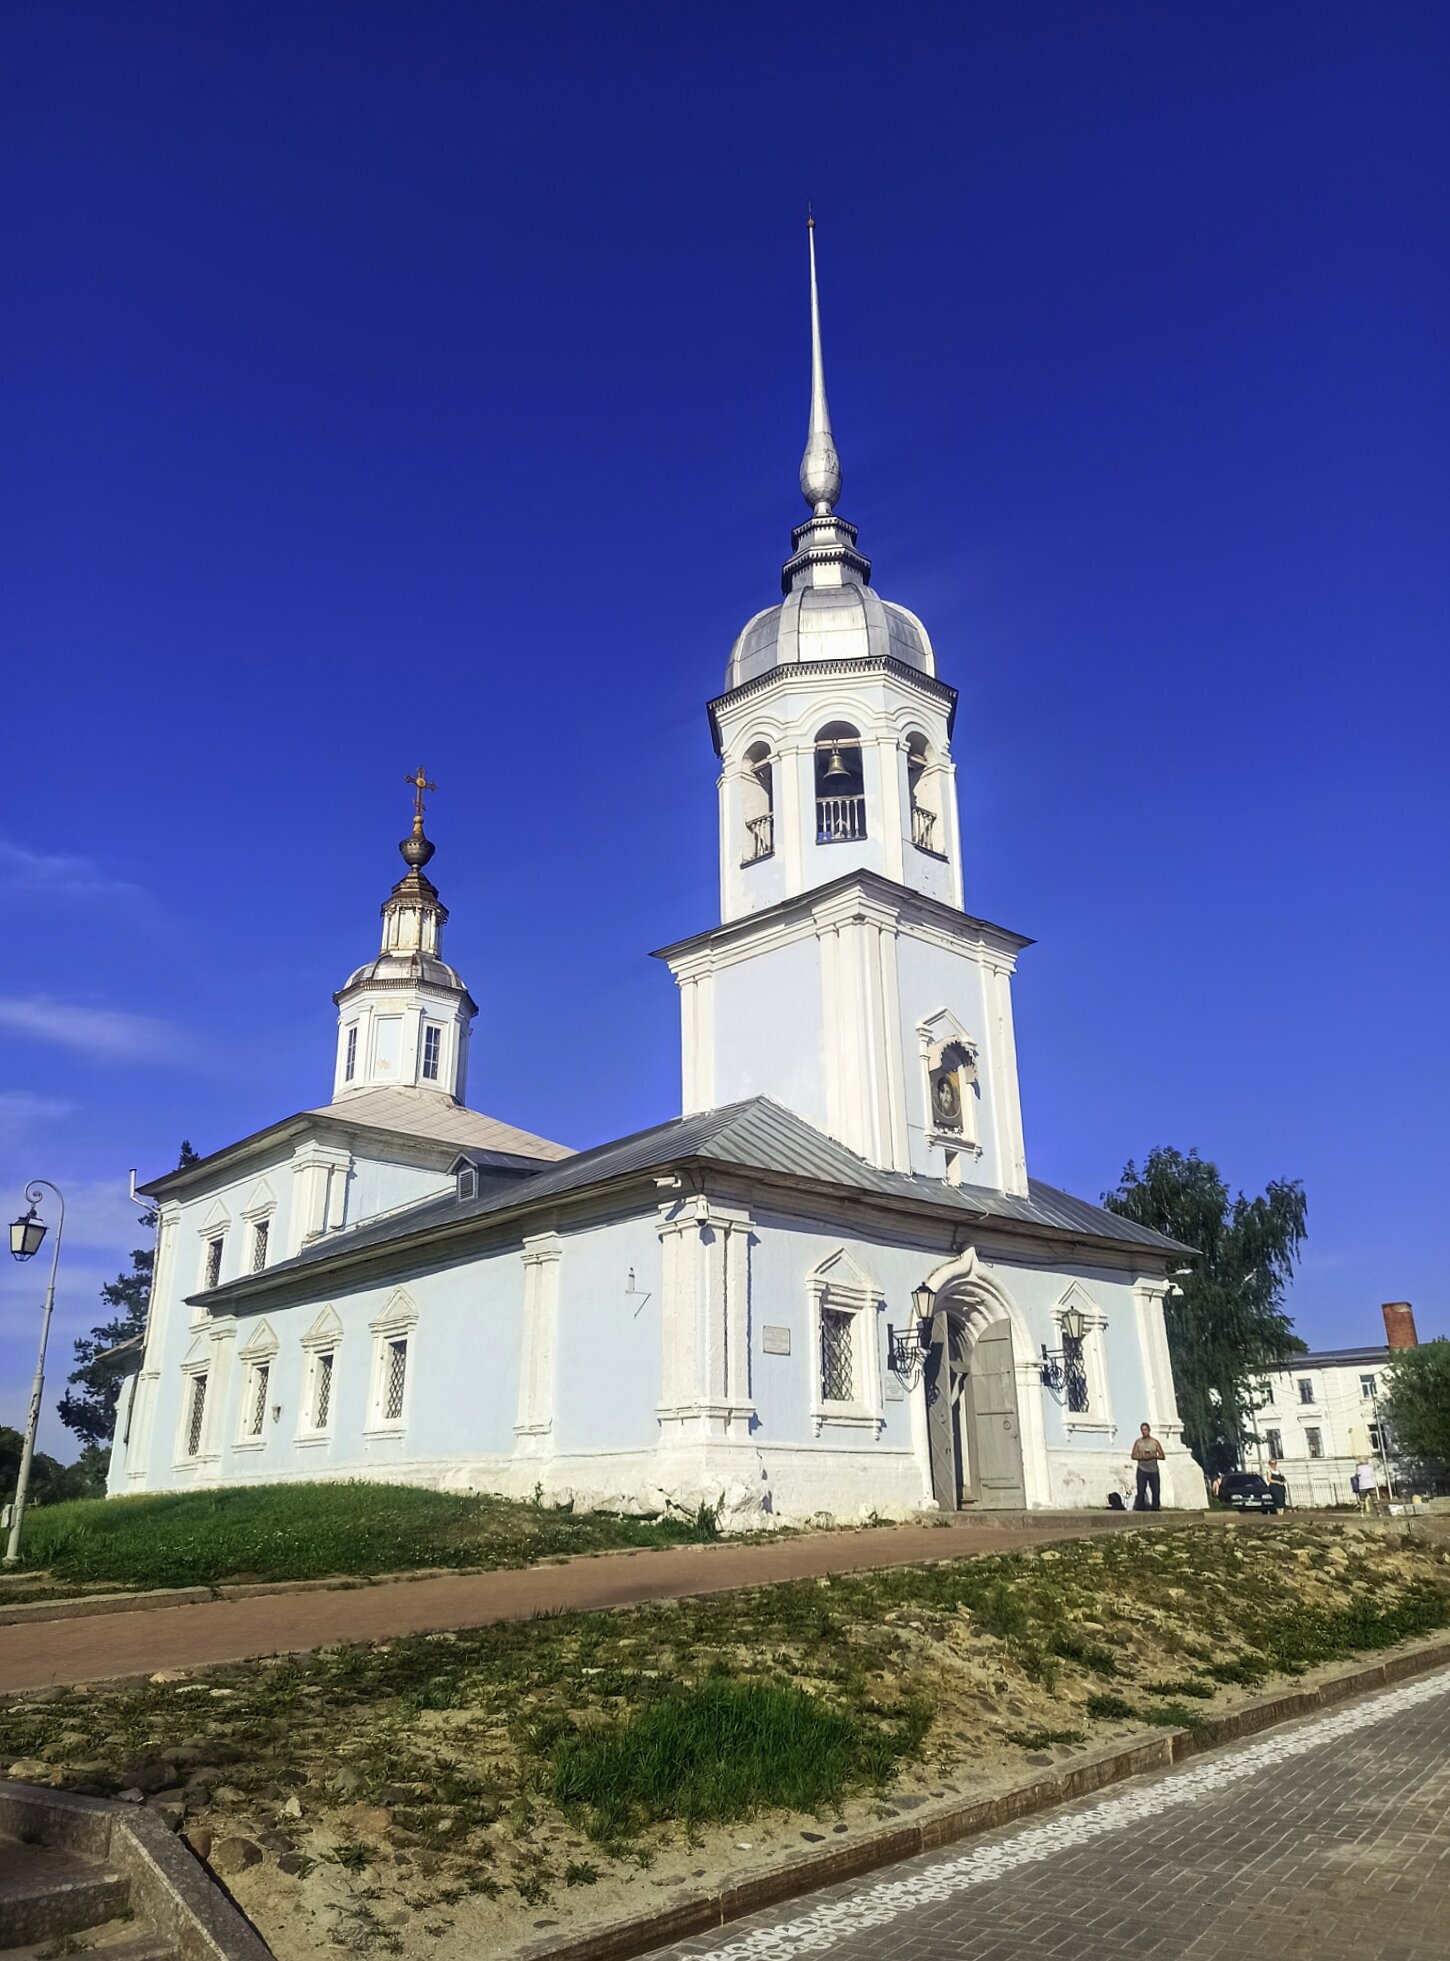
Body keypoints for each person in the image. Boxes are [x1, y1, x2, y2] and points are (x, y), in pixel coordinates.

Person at [1130, 1423, 1165, 1511]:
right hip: (1142, 1469)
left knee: (1156, 1490)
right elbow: (1133, 1456)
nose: (1144, 1431)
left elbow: (1162, 1456)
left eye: (1145, 1429)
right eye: (1142, 1430)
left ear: (1149, 1430)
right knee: (1141, 1490)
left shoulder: (1154, 1442)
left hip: (1153, 1470)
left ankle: (1155, 1508)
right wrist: (1142, 1457)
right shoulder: (1138, 1442)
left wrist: (1153, 1456)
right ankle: (1140, 1508)